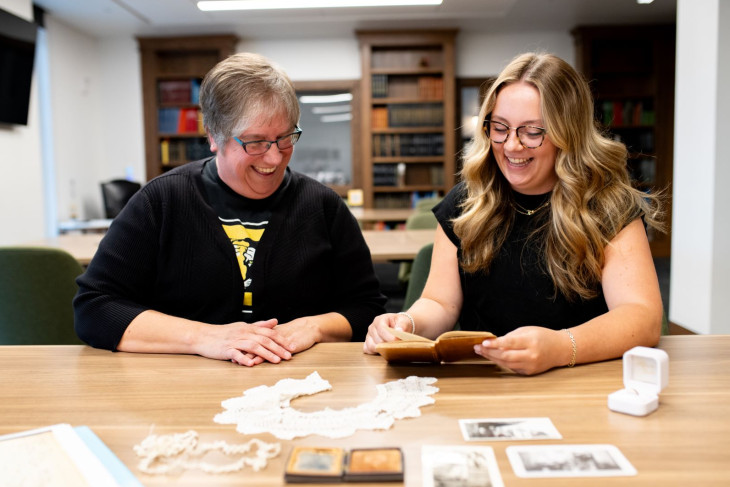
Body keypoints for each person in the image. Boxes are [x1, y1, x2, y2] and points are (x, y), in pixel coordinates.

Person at [75, 52, 386, 366]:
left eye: (285, 137)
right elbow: (94, 308)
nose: (275, 158)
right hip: (180, 392)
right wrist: (205, 337)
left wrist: (314, 326)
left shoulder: (324, 207)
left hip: (301, 386)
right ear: (213, 136)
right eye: (255, 142)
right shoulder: (162, 202)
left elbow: (366, 308)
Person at [363, 52, 665, 375]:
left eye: (531, 131)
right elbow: (440, 303)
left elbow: (642, 316)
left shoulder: (607, 207)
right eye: (500, 128)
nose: (511, 146)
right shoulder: (467, 203)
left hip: (580, 381)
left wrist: (560, 348)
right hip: (485, 382)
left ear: (569, 133)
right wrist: (405, 322)